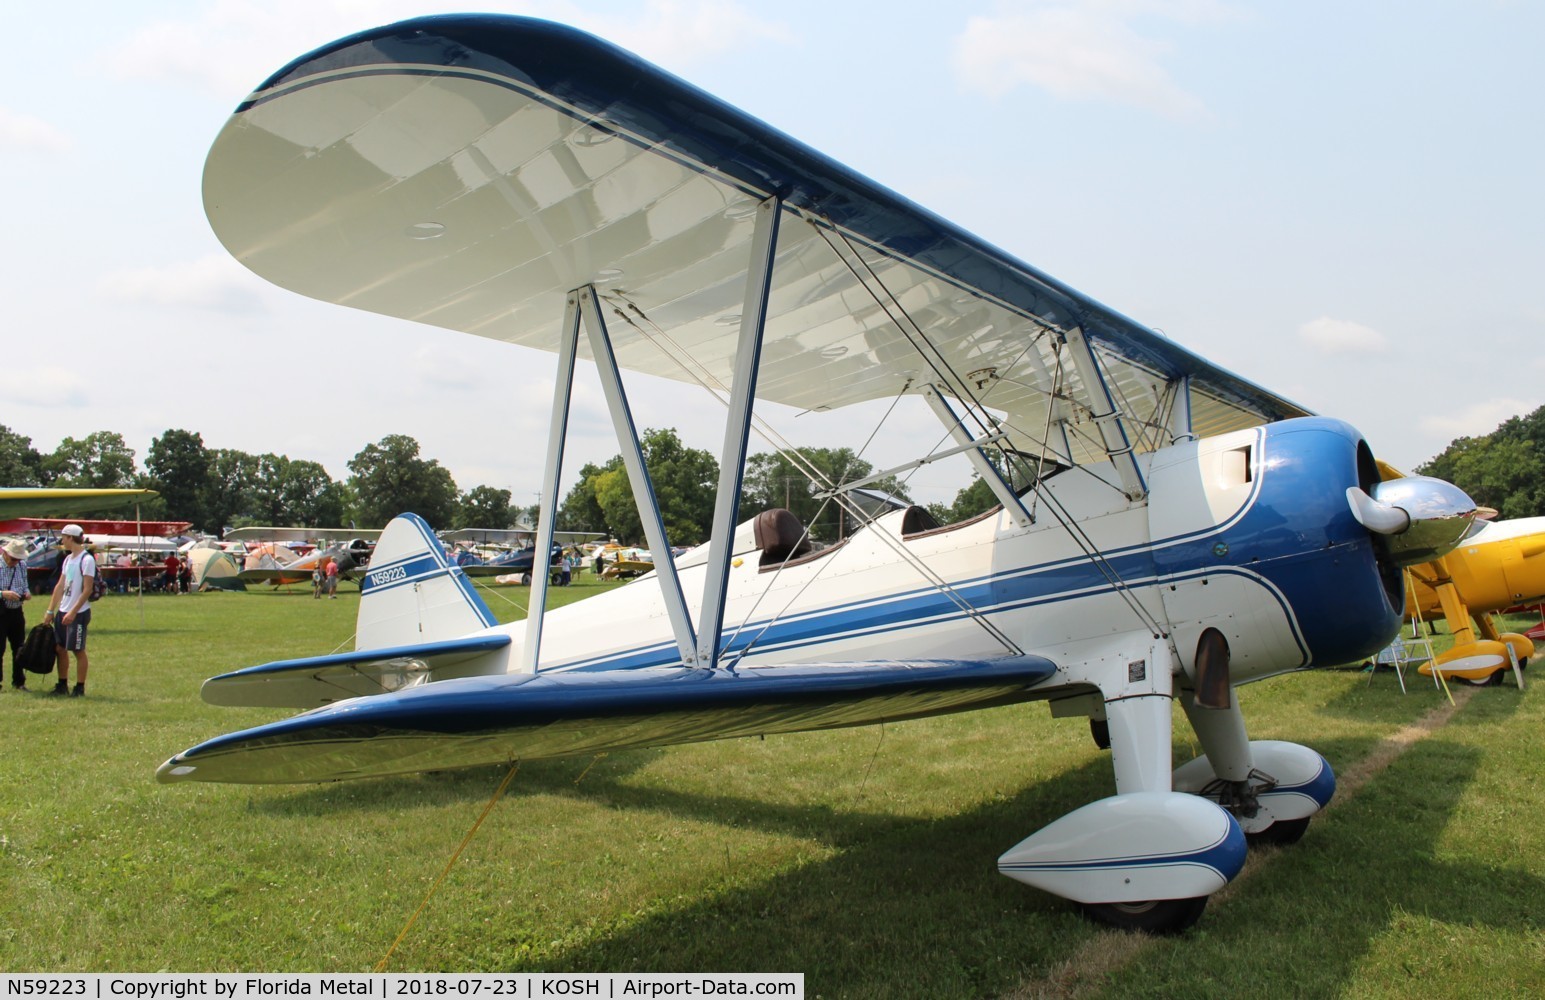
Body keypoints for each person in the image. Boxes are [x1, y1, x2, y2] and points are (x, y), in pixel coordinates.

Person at [43, 524, 96, 697]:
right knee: (60, 648)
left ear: (71, 538)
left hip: (78, 612)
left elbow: (87, 589)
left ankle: (79, 687)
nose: (62, 541)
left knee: (78, 650)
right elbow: (60, 585)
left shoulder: (86, 560)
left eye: (64, 537)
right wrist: (51, 610)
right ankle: (62, 684)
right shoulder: (68, 559)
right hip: (63, 610)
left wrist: (73, 612)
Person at [2, 538, 30, 691]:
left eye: (18, 559)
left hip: (17, 611)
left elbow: (25, 584)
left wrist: (27, 593)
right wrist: (3, 594)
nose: (15, 562)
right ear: (5, 553)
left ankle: (19, 682)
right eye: (13, 559)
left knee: (19, 647)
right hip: (1, 610)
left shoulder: (22, 566)